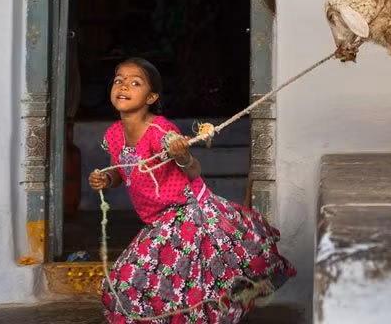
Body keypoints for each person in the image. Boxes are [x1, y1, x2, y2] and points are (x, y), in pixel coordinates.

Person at [89, 57, 296, 323]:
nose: (124, 86)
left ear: (151, 97)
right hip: (157, 219)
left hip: (187, 213)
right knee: (138, 281)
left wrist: (182, 156)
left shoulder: (161, 131)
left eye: (135, 82)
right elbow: (119, 169)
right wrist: (107, 180)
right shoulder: (114, 134)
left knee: (147, 279)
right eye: (119, 80)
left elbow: (193, 169)